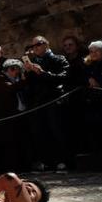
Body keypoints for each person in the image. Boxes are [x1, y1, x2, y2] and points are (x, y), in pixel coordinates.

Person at [23, 36, 70, 171]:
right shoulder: (33, 62)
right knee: (41, 132)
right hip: (39, 102)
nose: (35, 48)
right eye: (33, 46)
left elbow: (64, 77)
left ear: (46, 44)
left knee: (57, 130)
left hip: (54, 99)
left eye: (38, 44)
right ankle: (48, 161)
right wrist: (28, 73)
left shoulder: (58, 59)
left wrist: (42, 73)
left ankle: (63, 160)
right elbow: (30, 86)